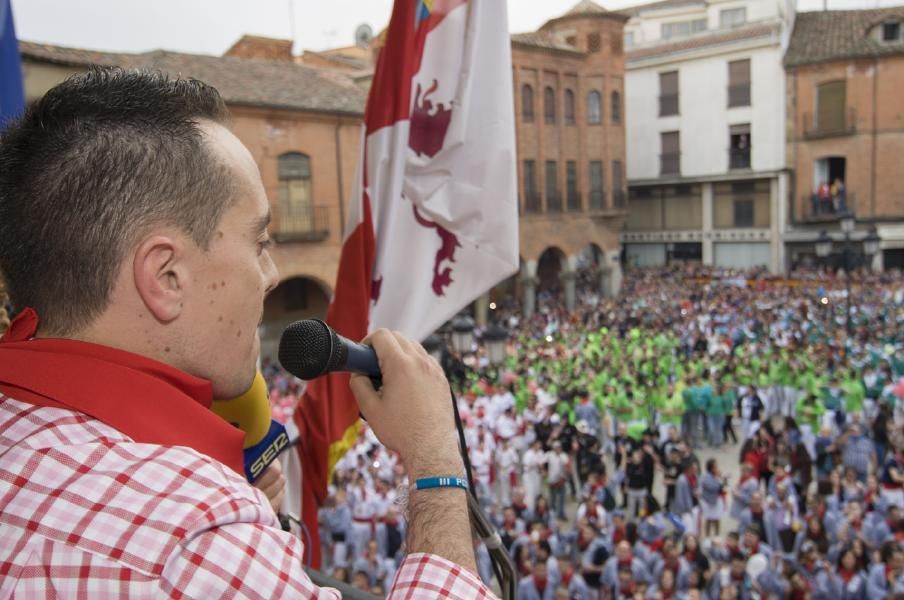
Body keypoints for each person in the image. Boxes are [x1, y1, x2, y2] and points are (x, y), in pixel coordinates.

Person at [0, 69, 493, 597]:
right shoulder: (194, 536)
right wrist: (435, 460)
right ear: (166, 276)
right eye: (258, 241)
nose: (271, 274)